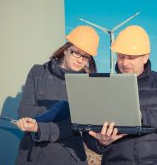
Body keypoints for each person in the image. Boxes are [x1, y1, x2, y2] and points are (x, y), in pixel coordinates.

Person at [90, 25, 157, 165]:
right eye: (120, 56)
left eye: (131, 57)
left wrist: (141, 115)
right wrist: (101, 142)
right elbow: (89, 132)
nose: (124, 63)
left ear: (145, 57)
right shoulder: (105, 85)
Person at [15, 25, 105, 165]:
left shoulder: (87, 85)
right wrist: (61, 113)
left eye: (86, 56)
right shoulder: (38, 72)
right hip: (33, 156)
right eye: (76, 53)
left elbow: (81, 128)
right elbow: (24, 111)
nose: (80, 60)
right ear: (66, 50)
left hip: (69, 157)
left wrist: (40, 126)